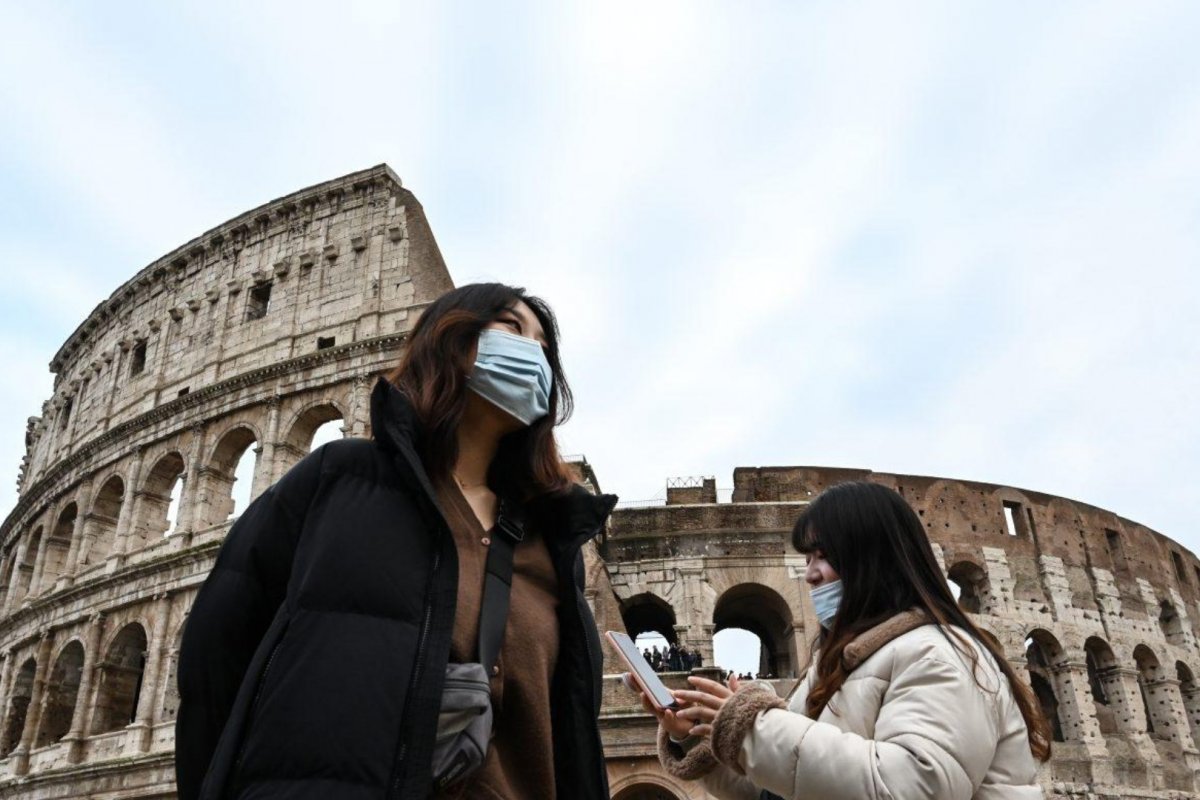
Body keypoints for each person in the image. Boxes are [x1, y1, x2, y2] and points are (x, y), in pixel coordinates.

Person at [175, 283, 618, 800]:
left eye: (545, 347)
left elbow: (566, 730)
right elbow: (215, 659)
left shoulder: (551, 543)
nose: (535, 354)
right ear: (450, 338)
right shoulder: (338, 482)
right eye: (513, 329)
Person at [634, 481, 1050, 799]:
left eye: (823, 555)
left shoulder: (938, 655)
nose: (811, 574)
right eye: (808, 559)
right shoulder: (837, 665)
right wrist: (694, 736)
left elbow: (914, 787)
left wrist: (754, 727)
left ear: (872, 557)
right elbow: (781, 789)